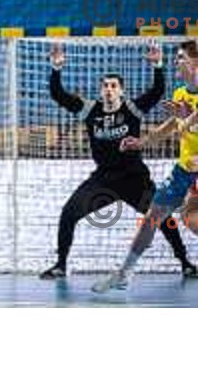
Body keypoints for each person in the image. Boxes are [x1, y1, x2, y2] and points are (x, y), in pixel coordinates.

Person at [40, 41, 197, 280]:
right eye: (105, 86)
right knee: (68, 213)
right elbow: (58, 95)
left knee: (162, 218)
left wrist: (157, 65)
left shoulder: (131, 108)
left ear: (121, 91)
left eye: (113, 86)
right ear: (100, 91)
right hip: (103, 180)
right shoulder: (90, 110)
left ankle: (185, 262)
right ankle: (60, 265)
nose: (109, 90)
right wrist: (56, 68)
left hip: (135, 179)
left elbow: (156, 92)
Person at [93, 40, 198, 293]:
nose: (176, 61)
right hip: (185, 170)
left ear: (196, 62)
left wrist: (187, 120)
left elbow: (189, 124)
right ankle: (124, 272)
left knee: (190, 219)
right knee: (152, 217)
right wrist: (142, 142)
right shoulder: (181, 94)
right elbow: (175, 126)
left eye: (181, 57)